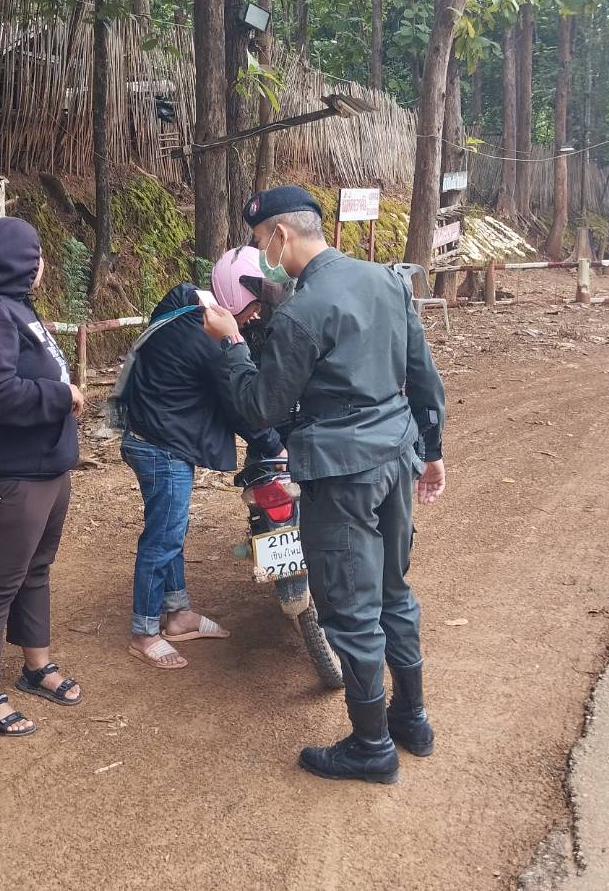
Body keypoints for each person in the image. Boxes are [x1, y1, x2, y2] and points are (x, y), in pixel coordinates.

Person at [200, 185, 447, 785]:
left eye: (261, 242)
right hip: (396, 457)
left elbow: (261, 407)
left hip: (341, 475)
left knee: (351, 609)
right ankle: (411, 718)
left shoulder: (300, 313)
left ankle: (372, 746)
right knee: (394, 592)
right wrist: (433, 452)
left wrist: (231, 343)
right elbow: (423, 374)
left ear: (280, 235)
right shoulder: (387, 280)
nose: (264, 255)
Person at [0, 216, 86, 736]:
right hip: (7, 475)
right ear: (23, 262)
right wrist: (61, 395)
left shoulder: (17, 308)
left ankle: (36, 665)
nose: (42, 262)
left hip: (44, 467)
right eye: (38, 253)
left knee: (36, 569)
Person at [120, 247, 287, 671]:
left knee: (171, 530)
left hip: (155, 435)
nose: (256, 315)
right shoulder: (207, 336)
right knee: (162, 538)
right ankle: (144, 632)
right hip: (161, 445)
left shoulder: (190, 307)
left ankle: (177, 614)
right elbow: (242, 406)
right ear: (235, 294)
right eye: (253, 304)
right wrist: (276, 448)